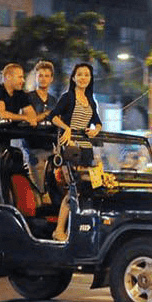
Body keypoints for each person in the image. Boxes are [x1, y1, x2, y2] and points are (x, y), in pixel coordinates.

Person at [48, 63, 103, 241]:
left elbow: (97, 121)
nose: (83, 78)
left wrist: (96, 130)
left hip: (87, 149)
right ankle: (59, 230)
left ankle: (80, 230)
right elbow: (53, 116)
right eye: (79, 74)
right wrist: (67, 128)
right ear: (73, 78)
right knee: (74, 190)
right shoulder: (68, 97)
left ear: (90, 78)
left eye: (86, 75)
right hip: (71, 149)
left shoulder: (91, 100)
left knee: (92, 188)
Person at [24, 60, 57, 195]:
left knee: (53, 189)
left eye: (47, 76)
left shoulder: (54, 100)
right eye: (40, 75)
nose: (43, 79)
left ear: (51, 79)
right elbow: (29, 120)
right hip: (33, 151)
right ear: (36, 77)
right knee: (39, 190)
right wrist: (46, 114)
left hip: (51, 151)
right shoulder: (28, 98)